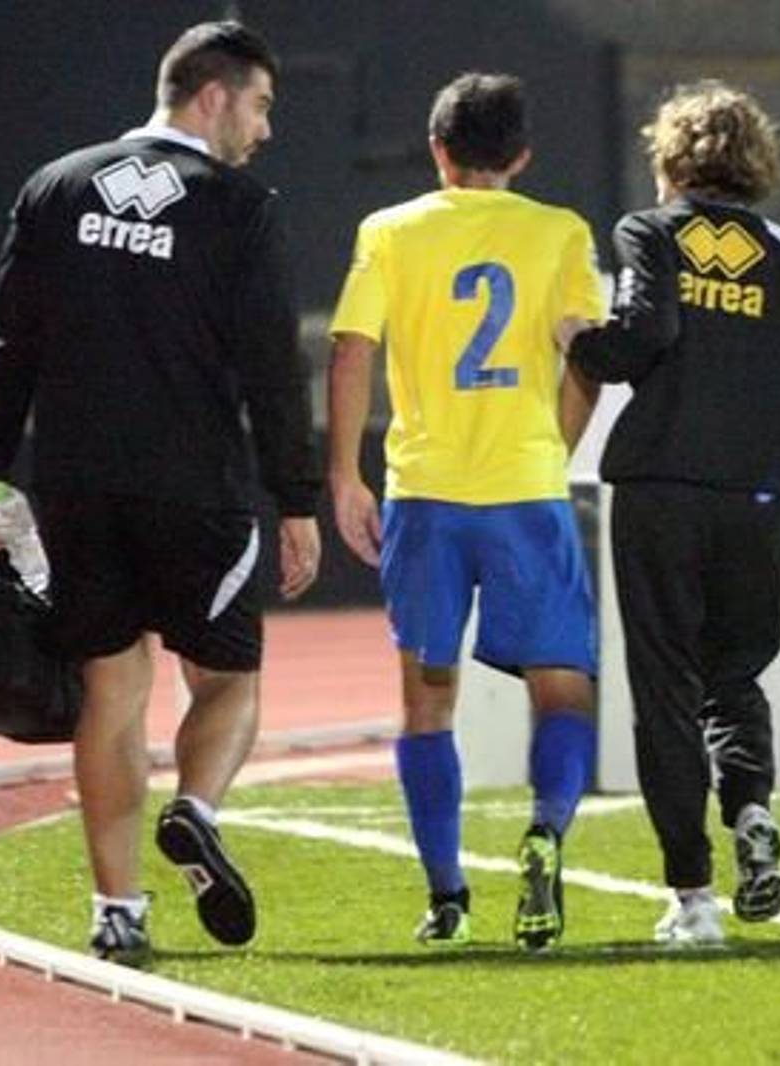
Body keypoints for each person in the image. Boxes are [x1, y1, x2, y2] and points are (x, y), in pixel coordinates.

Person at [0, 21, 322, 968]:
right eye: (261, 105)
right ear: (214, 97)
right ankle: (195, 813)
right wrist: (296, 498)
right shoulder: (238, 207)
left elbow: (10, 347)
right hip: (194, 490)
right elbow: (271, 372)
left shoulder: (56, 186)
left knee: (111, 691)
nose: (265, 129)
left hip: (76, 487)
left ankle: (117, 911)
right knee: (229, 680)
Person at [566, 80, 780, 945]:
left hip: (663, 489)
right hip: (762, 496)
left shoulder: (650, 231)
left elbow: (644, 336)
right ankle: (752, 812)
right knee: (734, 680)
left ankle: (693, 897)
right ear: (753, 162)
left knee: (666, 690)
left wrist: (579, 342)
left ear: (671, 158)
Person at [328, 72, 606, 951]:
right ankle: (545, 831)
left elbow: (349, 351)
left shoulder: (389, 231)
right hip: (525, 491)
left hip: (427, 495)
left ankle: (446, 894)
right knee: (564, 686)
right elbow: (586, 356)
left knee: (426, 702)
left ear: (437, 150)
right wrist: (551, 449)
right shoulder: (561, 231)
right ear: (520, 156)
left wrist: (342, 476)